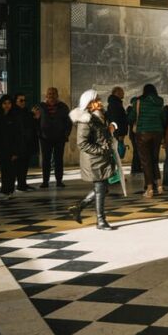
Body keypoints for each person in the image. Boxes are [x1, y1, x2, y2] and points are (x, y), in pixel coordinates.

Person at [67, 90, 115, 230]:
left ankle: (78, 207)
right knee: (101, 189)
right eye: (96, 100)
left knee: (103, 189)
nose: (100, 102)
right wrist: (101, 150)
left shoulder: (100, 116)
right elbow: (82, 143)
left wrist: (111, 129)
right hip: (94, 160)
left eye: (99, 99)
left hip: (102, 158)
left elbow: (101, 135)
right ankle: (101, 221)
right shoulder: (85, 120)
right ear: (88, 104)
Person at [128, 84, 166, 197]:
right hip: (157, 133)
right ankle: (159, 186)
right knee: (154, 159)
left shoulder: (138, 101)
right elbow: (163, 118)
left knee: (146, 161)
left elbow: (131, 118)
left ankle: (149, 188)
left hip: (143, 133)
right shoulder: (160, 102)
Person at [0, 95, 23, 200]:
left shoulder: (15, 116)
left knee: (11, 170)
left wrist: (16, 151)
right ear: (1, 104)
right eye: (4, 103)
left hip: (12, 148)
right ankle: (4, 190)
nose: (7, 106)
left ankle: (8, 191)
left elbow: (18, 134)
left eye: (9, 103)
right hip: (1, 147)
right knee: (4, 170)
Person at [37, 87, 72, 188]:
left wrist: (66, 134)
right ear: (46, 95)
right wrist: (39, 133)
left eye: (53, 93)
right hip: (44, 138)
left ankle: (59, 180)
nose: (51, 95)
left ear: (57, 95)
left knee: (58, 159)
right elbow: (36, 121)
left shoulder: (63, 107)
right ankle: (45, 181)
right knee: (45, 160)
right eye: (49, 93)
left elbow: (68, 122)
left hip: (59, 138)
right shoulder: (40, 106)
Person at [13, 93, 39, 191]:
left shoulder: (25, 111)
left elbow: (31, 125)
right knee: (19, 165)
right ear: (16, 101)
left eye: (24, 100)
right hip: (19, 142)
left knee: (24, 164)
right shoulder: (15, 112)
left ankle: (22, 183)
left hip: (27, 142)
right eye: (21, 100)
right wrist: (32, 115)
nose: (23, 102)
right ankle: (19, 184)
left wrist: (34, 117)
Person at [106, 87, 128, 156]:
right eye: (122, 92)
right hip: (118, 133)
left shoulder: (115, 103)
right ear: (117, 93)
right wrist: (119, 134)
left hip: (117, 132)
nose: (123, 93)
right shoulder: (115, 104)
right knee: (118, 152)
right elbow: (115, 119)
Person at [126, 96, 142, 174]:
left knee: (137, 151)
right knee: (137, 151)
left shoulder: (130, 110)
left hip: (133, 133)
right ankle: (136, 168)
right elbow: (130, 120)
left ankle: (136, 167)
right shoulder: (132, 110)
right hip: (135, 133)